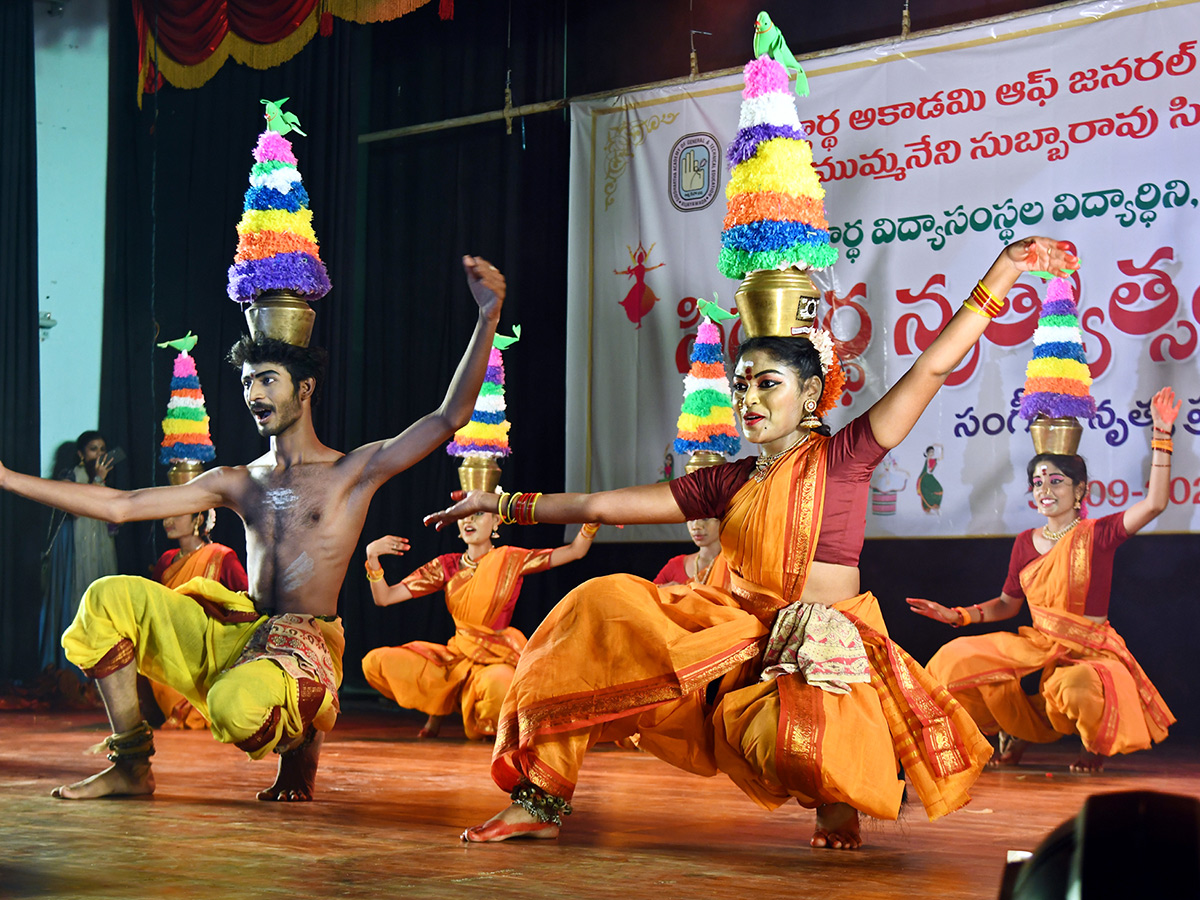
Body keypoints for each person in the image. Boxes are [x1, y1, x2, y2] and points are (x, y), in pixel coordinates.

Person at [426, 237, 1077, 849]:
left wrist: (1006, 269)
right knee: (596, 607)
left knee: (803, 746)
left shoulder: (845, 456)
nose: (749, 398)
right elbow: (602, 503)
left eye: (768, 384)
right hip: (735, 640)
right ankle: (538, 801)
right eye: (741, 386)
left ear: (812, 393)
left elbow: (933, 366)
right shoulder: (727, 480)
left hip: (819, 648)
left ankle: (838, 796)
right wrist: (506, 503)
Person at [0, 256, 505, 801]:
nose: (254, 395)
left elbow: (448, 417)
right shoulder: (237, 481)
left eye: (268, 380)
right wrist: (7, 479)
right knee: (107, 600)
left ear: (305, 388)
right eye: (247, 382)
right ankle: (131, 762)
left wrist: (487, 317)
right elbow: (123, 505)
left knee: (235, 707)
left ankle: (306, 726)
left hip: (307, 641)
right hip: (242, 631)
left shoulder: (351, 471)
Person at [907, 387, 1179, 773]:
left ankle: (1093, 745)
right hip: (1039, 644)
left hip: (1088, 650)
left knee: (1075, 688)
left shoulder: (1097, 535)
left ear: (1080, 489)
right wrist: (957, 616)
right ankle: (1015, 730)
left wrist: (1162, 436)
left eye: (1056, 482)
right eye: (1037, 482)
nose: (1045, 490)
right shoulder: (1024, 542)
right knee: (954, 660)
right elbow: (1007, 605)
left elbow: (1155, 504)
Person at [360, 515, 599, 740]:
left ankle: (470, 713)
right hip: (455, 657)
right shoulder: (447, 565)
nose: (468, 520)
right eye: (464, 514)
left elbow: (575, 551)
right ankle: (440, 706)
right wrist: (372, 557)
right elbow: (385, 597)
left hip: (496, 659)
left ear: (496, 520)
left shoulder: (511, 559)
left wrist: (592, 522)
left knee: (497, 689)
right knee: (377, 661)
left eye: (478, 513)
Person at [143, 509, 249, 730]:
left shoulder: (221, 556)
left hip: (208, 645)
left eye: (177, 515)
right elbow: (154, 603)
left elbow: (246, 599)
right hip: (170, 645)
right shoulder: (166, 560)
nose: (167, 520)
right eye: (166, 515)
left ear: (198, 520)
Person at [38, 432, 119, 674]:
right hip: (73, 549)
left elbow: (113, 524)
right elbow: (76, 510)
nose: (100, 454)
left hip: (99, 548)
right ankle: (70, 671)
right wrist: (98, 483)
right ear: (81, 455)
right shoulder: (70, 476)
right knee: (75, 600)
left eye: (103, 449)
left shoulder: (103, 479)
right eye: (94, 449)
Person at [653, 518, 729, 588]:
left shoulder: (736, 566)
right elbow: (648, 597)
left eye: (705, 518)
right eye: (691, 519)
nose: (696, 526)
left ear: (723, 520)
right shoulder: (675, 566)